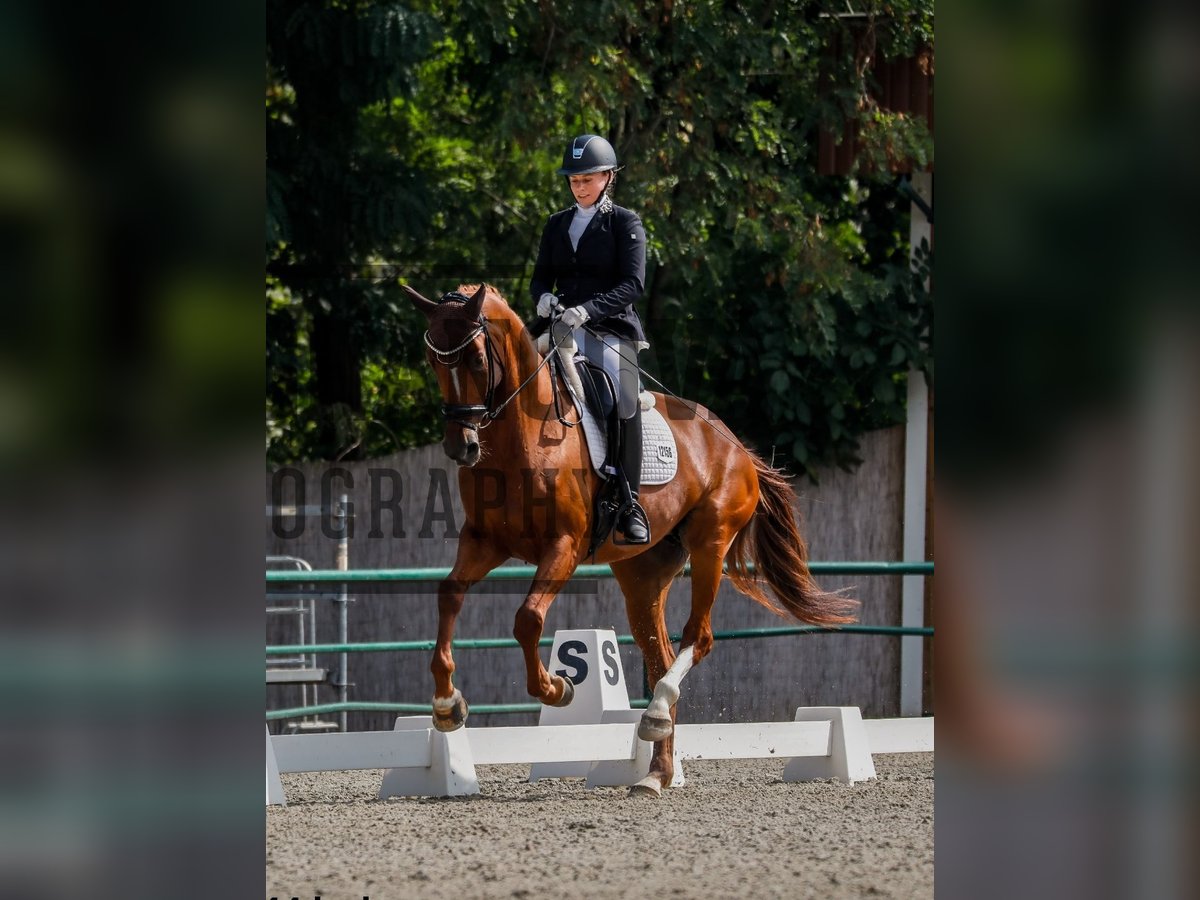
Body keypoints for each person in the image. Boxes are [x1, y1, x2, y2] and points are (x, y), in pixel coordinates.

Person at [529, 133, 650, 544]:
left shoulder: (625, 222)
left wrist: (590, 309)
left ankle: (629, 500)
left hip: (610, 329)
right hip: (560, 326)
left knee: (625, 395)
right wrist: (543, 297)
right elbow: (540, 277)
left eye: (587, 179)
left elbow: (633, 284)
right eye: (573, 180)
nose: (579, 186)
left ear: (607, 177)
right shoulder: (556, 224)